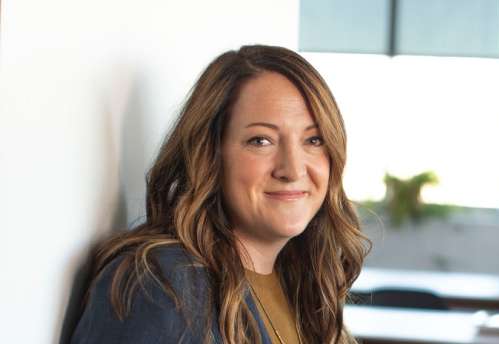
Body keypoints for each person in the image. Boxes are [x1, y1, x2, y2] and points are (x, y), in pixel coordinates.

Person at [71, 45, 370, 344]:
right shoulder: (160, 286)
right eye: (261, 140)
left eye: (313, 139)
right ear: (211, 154)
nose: (292, 169)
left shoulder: (302, 285)